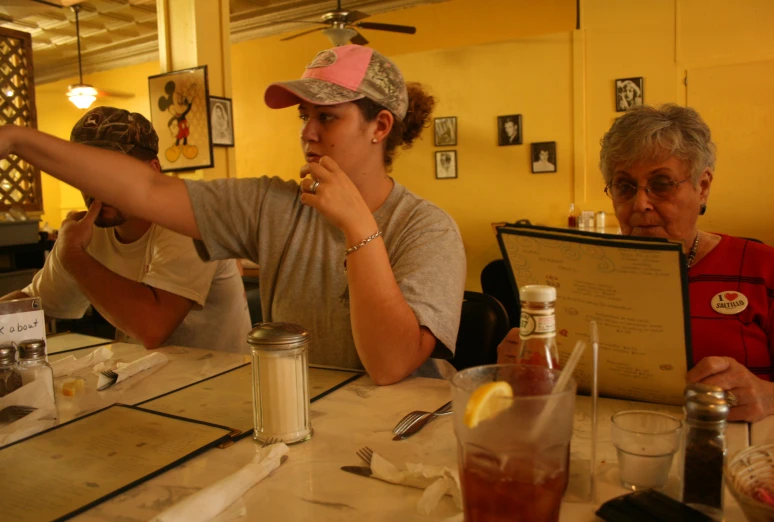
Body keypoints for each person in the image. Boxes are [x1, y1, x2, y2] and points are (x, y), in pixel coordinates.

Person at [0, 45, 467, 385]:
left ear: (379, 127)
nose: (307, 133)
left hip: (403, 437)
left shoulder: (428, 229)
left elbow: (389, 364)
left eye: (327, 117)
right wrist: (17, 139)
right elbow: (144, 188)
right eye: (304, 116)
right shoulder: (274, 206)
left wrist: (359, 226)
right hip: (301, 417)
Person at [498, 103, 774, 422]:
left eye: (661, 184)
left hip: (734, 454)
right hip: (601, 445)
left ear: (702, 187)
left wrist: (773, 396)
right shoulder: (575, 273)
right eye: (625, 186)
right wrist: (519, 367)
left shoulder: (765, 270)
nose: (640, 203)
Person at [0, 107, 251, 353]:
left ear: (152, 170)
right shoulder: (88, 231)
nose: (97, 186)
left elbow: (153, 328)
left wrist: (73, 256)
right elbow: (33, 303)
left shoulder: (186, 218)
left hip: (222, 384)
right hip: (140, 381)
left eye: (112, 172)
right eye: (85, 173)